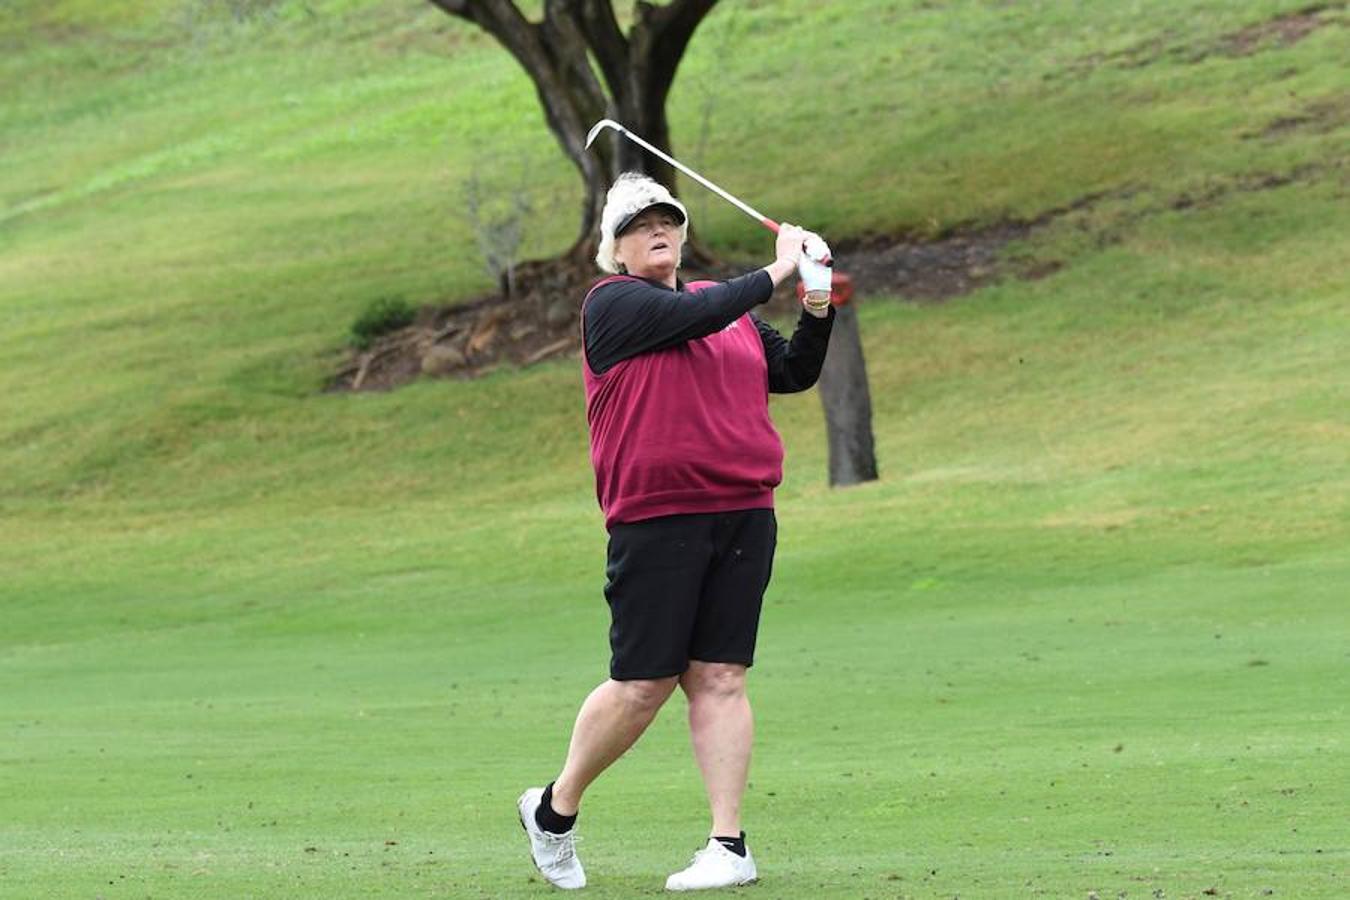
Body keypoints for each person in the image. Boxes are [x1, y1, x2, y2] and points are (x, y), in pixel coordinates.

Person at [517, 172, 834, 891]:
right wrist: (780, 265)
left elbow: (791, 369)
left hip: (745, 509)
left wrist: (815, 297)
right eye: (638, 224)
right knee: (642, 684)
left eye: (667, 220)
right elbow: (707, 311)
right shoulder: (613, 306)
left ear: (682, 234)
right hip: (657, 516)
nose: (656, 230)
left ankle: (729, 845)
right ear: (617, 249)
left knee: (721, 676)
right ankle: (554, 810)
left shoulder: (721, 309)